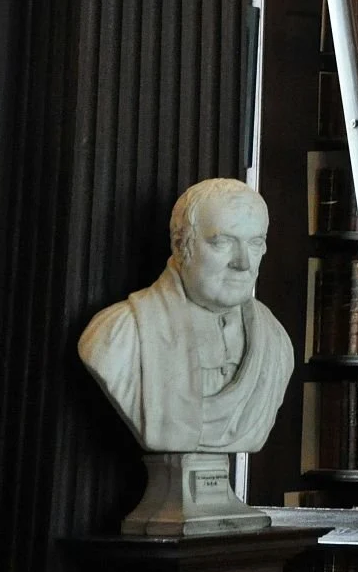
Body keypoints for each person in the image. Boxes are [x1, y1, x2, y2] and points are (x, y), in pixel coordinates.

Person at [79, 178, 293, 455]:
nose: (243, 263)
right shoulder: (118, 336)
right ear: (181, 246)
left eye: (255, 243)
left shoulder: (275, 342)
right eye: (223, 242)